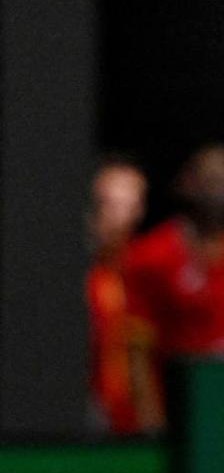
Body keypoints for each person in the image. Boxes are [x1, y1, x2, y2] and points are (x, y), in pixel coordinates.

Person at [124, 143, 224, 430]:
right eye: (209, 180)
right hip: (178, 411)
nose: (218, 191)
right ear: (186, 184)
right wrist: (149, 418)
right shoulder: (151, 253)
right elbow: (136, 348)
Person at [85, 157, 147, 434]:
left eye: (129, 206)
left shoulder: (151, 270)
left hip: (142, 420)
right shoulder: (80, 277)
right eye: (108, 204)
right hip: (88, 418)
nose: (119, 217)